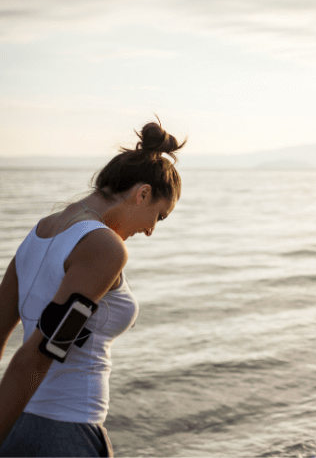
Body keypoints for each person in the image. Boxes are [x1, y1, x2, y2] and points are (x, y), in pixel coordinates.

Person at [0, 120, 185, 457]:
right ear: (142, 193)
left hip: (18, 425)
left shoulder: (40, 232)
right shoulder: (105, 247)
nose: (149, 231)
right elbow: (40, 355)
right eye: (158, 217)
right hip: (66, 431)